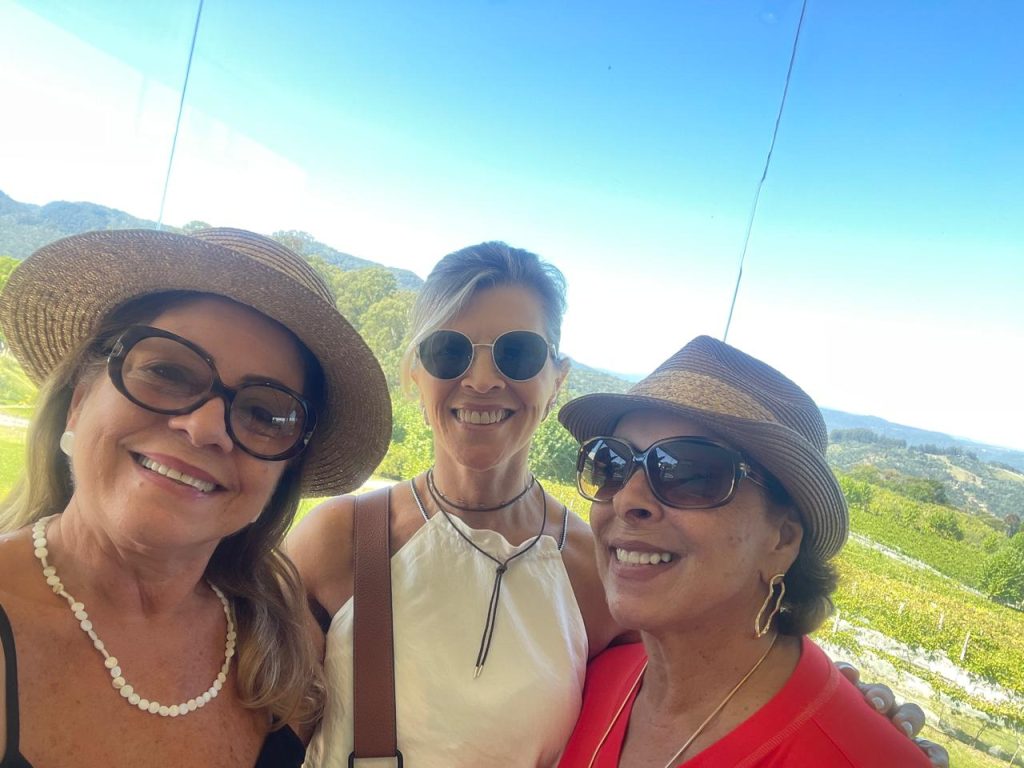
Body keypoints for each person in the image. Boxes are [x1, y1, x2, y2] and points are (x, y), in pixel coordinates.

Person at [289, 243, 942, 768]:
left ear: (558, 377)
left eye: (518, 353)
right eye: (447, 350)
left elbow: (718, 668)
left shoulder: (599, 578)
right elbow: (251, 715)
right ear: (414, 370)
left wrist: (845, 711)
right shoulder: (338, 537)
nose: (482, 378)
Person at [0, 228, 391, 768]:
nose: (206, 427)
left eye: (264, 412)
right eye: (167, 372)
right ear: (79, 401)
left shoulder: (284, 655)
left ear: (283, 471)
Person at [556, 335, 941, 767]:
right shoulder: (593, 681)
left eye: (691, 475)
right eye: (612, 463)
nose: (627, 499)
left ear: (782, 540)